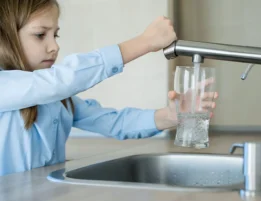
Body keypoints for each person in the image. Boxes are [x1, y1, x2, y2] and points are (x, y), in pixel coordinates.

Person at [0, 0, 217, 176]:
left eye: (55, 35)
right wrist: (144, 42)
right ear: (6, 38)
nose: (54, 46)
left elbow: (114, 122)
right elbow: (61, 80)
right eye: (40, 35)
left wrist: (170, 115)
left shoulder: (60, 100)